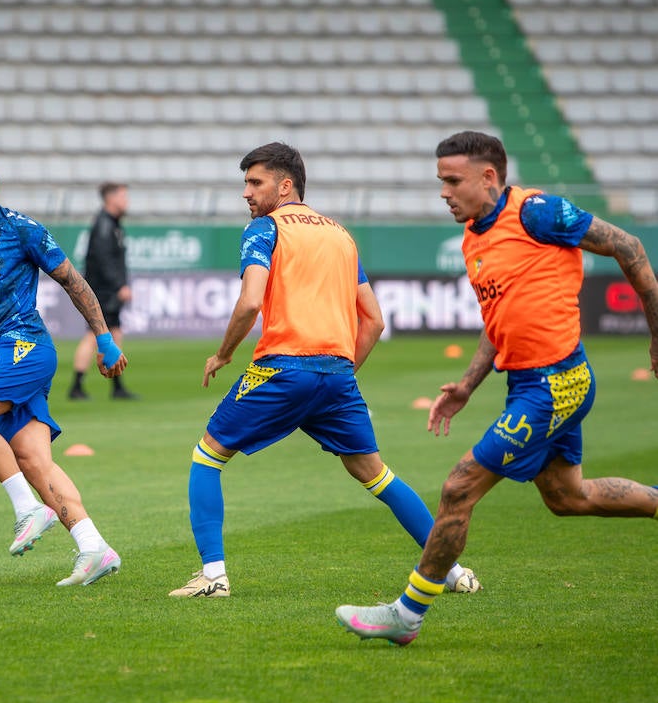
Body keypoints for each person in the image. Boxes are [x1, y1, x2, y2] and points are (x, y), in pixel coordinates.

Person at [336, 131, 658, 644]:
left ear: (488, 178)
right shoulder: (473, 238)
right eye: (440, 181)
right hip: (528, 383)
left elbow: (629, 247)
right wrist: (467, 383)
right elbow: (500, 319)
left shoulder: (537, 213)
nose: (443, 191)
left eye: (452, 180)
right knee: (567, 497)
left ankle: (407, 615)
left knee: (458, 487)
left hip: (556, 382)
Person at [171, 142, 479, 600]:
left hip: (281, 367)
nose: (247, 193)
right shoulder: (340, 234)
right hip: (337, 375)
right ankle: (452, 571)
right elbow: (373, 319)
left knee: (207, 456)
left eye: (255, 182)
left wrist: (223, 353)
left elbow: (251, 301)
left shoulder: (263, 229)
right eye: (246, 184)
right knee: (376, 474)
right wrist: (339, 371)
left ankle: (213, 576)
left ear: (285, 184)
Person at [0, 145, 125, 587]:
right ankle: (94, 547)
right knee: (34, 460)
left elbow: (73, 281)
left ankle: (27, 508)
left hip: (25, 345)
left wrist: (105, 339)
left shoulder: (20, 229)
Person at [69, 182, 136, 400]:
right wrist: (119, 285)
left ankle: (117, 385)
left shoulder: (111, 224)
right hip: (103, 292)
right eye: (123, 197)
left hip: (107, 291)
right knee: (93, 335)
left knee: (115, 333)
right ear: (111, 198)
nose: (127, 201)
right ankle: (76, 385)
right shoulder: (104, 226)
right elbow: (104, 261)